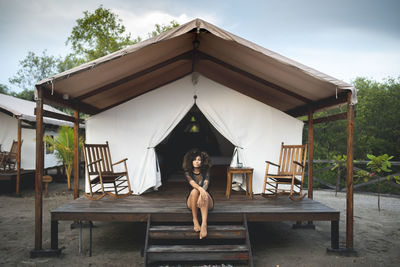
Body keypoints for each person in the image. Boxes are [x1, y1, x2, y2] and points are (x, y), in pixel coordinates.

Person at [183, 149, 214, 239]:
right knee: (194, 191)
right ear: (190, 161)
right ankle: (195, 219)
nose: (197, 162)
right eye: (194, 159)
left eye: (199, 160)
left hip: (206, 201)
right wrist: (200, 191)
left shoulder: (206, 171)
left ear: (202, 161)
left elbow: (206, 184)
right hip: (192, 201)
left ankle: (204, 224)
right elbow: (193, 183)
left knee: (203, 193)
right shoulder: (187, 173)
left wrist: (202, 193)